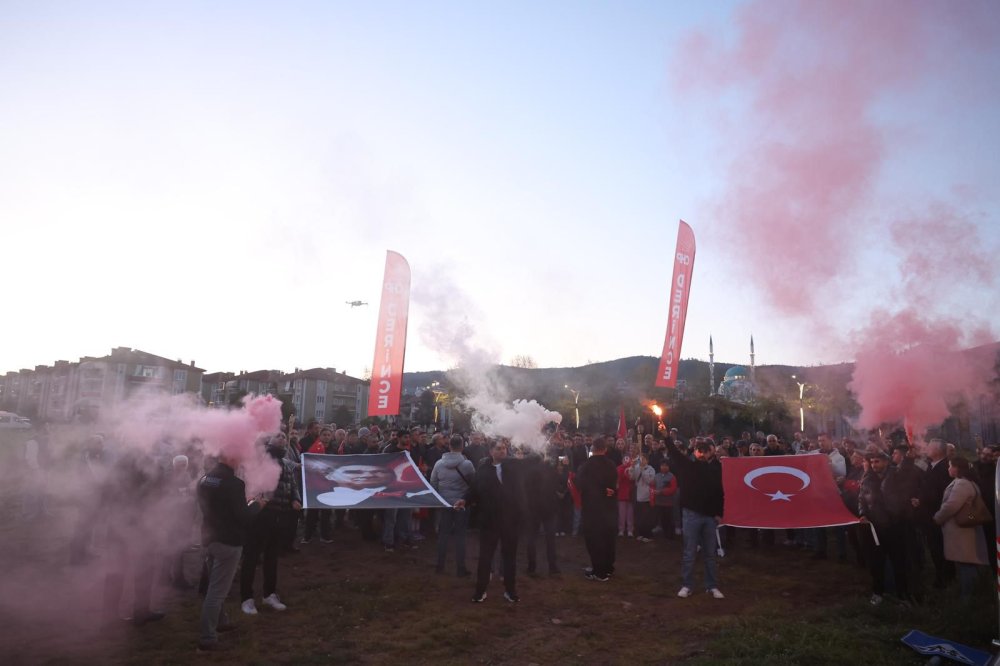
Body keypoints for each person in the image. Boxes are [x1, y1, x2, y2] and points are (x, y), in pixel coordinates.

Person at [197, 450, 266, 652]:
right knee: (217, 591)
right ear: (229, 457)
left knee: (214, 585)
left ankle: (221, 621)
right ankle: (207, 638)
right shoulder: (235, 484)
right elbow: (244, 517)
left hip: (209, 538)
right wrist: (257, 505)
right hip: (228, 542)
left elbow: (209, 508)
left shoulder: (204, 479)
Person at [239, 435, 301, 615]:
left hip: (279, 515)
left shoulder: (285, 463)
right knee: (251, 557)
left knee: (272, 557)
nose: (282, 438)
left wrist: (295, 499)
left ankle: (269, 594)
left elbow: (292, 484)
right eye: (278, 435)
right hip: (260, 516)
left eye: (283, 436)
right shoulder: (260, 460)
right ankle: (247, 598)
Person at [662, 426, 725, 599]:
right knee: (689, 553)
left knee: (710, 554)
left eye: (705, 450)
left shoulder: (715, 468)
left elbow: (719, 492)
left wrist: (719, 513)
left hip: (710, 517)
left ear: (711, 452)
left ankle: (711, 586)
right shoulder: (687, 466)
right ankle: (687, 585)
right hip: (691, 515)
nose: (702, 453)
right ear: (695, 452)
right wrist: (667, 437)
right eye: (699, 450)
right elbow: (674, 453)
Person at [470, 439, 523, 603]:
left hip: (510, 521)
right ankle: (480, 591)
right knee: (485, 557)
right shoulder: (483, 469)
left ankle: (510, 590)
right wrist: (464, 500)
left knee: (510, 557)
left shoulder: (513, 467)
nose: (502, 451)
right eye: (499, 449)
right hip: (489, 521)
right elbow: (474, 489)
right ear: (491, 451)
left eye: (504, 448)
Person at [933, 457, 989, 602]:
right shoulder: (967, 482)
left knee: (965, 564)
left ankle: (968, 597)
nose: (948, 469)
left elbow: (951, 505)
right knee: (967, 563)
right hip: (965, 530)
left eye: (950, 466)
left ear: (957, 468)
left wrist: (938, 517)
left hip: (962, 531)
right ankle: (973, 594)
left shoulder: (962, 484)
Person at [430, 435, 475, 576]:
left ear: (449, 446)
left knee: (443, 534)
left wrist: (439, 499)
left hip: (444, 503)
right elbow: (473, 484)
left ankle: (440, 566)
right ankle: (460, 568)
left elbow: (433, 483)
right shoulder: (467, 464)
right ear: (462, 446)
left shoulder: (438, 464)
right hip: (461, 503)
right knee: (460, 535)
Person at [576, 436, 618, 582]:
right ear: (605, 449)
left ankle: (599, 572)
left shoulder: (586, 466)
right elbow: (613, 485)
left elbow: (580, 484)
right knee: (608, 538)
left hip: (592, 509)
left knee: (594, 539)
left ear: (592, 449)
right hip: (609, 508)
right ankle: (608, 568)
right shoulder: (611, 464)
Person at [630, 454, 657, 542]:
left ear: (647, 460)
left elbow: (650, 481)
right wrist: (632, 467)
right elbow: (632, 477)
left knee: (646, 517)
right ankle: (641, 534)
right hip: (638, 496)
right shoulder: (637, 467)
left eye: (643, 459)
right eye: (640, 459)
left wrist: (643, 470)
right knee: (639, 517)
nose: (641, 460)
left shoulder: (651, 469)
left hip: (647, 496)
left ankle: (648, 535)